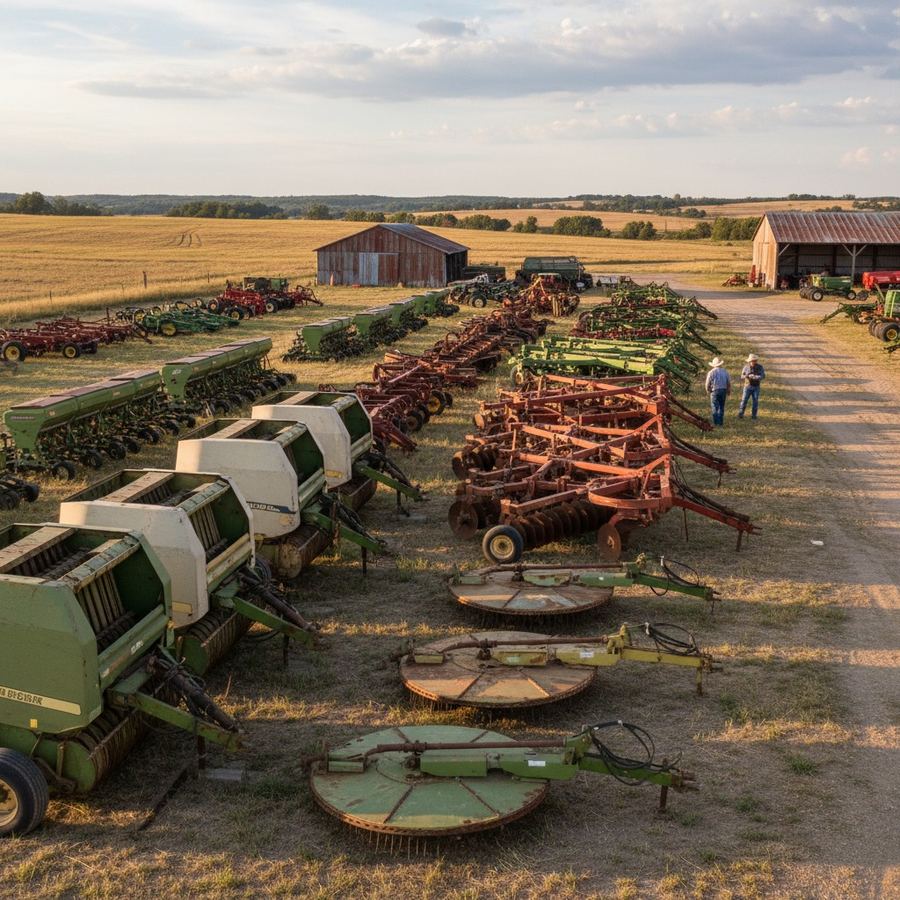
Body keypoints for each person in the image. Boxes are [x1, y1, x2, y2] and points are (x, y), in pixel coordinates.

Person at [705, 357, 731, 426]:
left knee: (714, 406)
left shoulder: (711, 372)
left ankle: (716, 422)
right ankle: (720, 422)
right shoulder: (725, 371)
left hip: (715, 390)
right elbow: (728, 382)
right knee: (721, 406)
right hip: (723, 390)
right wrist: (728, 390)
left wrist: (708, 390)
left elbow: (707, 383)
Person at [738, 354, 766, 419]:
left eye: (755, 361)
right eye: (752, 361)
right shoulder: (746, 367)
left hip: (756, 387)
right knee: (744, 400)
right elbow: (742, 376)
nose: (754, 362)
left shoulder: (760, 367)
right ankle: (741, 414)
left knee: (755, 401)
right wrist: (747, 376)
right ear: (749, 361)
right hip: (747, 386)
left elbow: (763, 376)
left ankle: (754, 416)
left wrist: (757, 377)